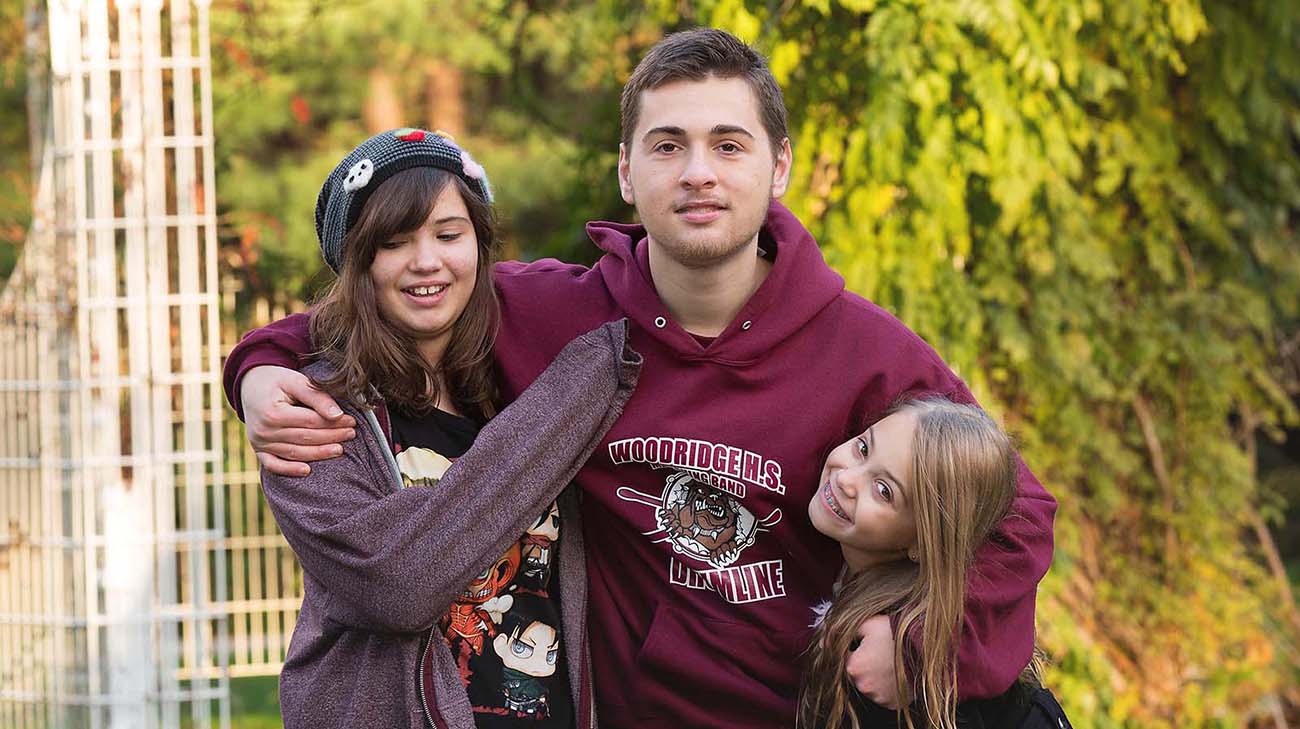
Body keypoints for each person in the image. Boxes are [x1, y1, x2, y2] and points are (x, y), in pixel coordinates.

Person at [225, 28, 1057, 729]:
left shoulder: (867, 352)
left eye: (728, 145)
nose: (698, 172)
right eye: (668, 146)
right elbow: (398, 290)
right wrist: (259, 365)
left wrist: (928, 646)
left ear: (780, 167)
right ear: (628, 171)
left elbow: (1017, 512)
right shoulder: (562, 317)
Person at [258, 128, 640, 729]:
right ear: (359, 263)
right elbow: (397, 583)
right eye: (394, 241)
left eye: (448, 234)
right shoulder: (313, 414)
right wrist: (584, 386)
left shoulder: (518, 384)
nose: (426, 261)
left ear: (480, 245)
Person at [801, 398, 1071, 729]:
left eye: (885, 491)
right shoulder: (861, 580)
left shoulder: (887, 666)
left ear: (922, 542)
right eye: (863, 448)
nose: (847, 480)